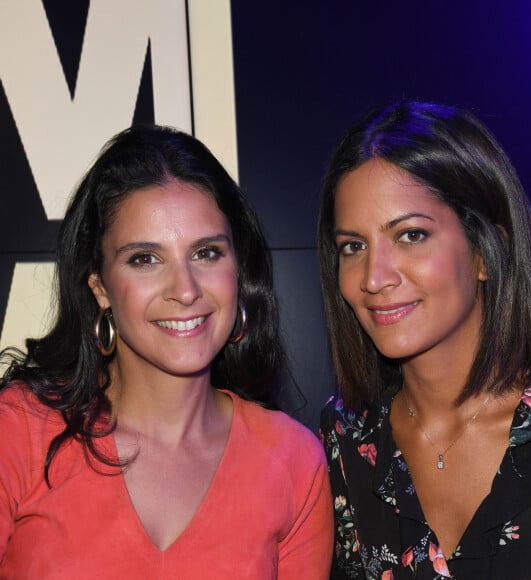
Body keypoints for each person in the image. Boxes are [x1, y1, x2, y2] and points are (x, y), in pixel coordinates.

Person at [0, 125, 333, 579]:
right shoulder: (18, 429)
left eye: (207, 253)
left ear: (239, 269)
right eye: (145, 259)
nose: (185, 289)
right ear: (100, 287)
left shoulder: (294, 461)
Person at [318, 101, 531, 579]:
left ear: (487, 251)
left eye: (411, 235)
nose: (373, 278)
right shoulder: (345, 437)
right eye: (352, 247)